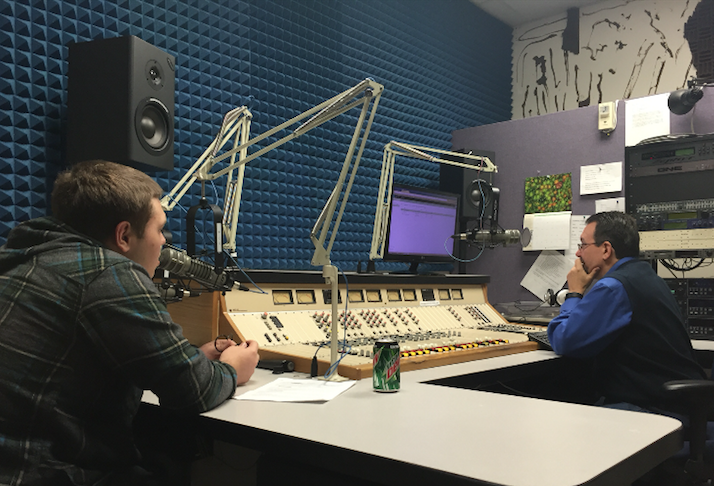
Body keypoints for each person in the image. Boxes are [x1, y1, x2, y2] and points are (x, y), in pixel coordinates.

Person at [0, 160, 260, 485]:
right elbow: (194, 391)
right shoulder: (108, 272)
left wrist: (194, 356)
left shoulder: (20, 257)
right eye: (159, 228)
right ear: (124, 235)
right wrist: (234, 368)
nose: (165, 241)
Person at [547, 211, 705, 413]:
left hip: (653, 410)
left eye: (583, 245)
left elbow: (564, 341)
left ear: (606, 250)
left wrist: (575, 292)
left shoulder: (613, 287)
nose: (578, 254)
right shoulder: (644, 275)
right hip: (679, 404)